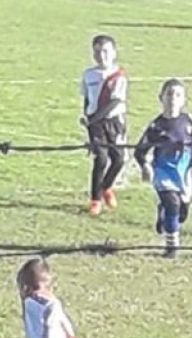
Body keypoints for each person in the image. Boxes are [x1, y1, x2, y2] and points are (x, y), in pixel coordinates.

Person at [134, 78, 192, 258]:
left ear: (184, 100)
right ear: (161, 98)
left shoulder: (188, 122)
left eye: (178, 95)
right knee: (172, 203)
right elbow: (139, 151)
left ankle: (163, 213)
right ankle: (172, 246)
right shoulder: (156, 126)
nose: (173, 98)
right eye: (169, 94)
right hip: (163, 172)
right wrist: (145, 166)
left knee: (182, 211)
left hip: (183, 171)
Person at [80, 34, 128, 216]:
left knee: (119, 159)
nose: (102, 55)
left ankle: (106, 187)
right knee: (100, 158)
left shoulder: (119, 76)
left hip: (114, 121)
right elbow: (87, 98)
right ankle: (95, 199)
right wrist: (87, 118)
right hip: (95, 123)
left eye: (106, 51)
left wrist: (93, 118)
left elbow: (114, 102)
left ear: (114, 53)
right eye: (98, 51)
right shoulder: (88, 75)